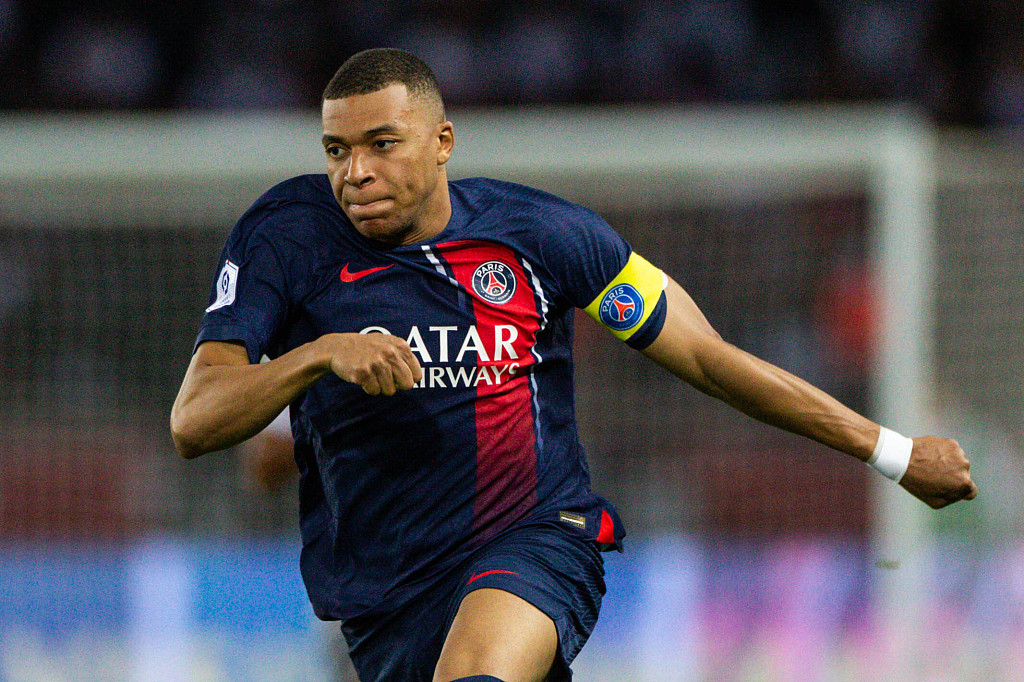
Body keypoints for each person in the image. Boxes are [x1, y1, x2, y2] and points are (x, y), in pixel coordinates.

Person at [170, 48, 977, 682]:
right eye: (337, 149)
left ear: (443, 141)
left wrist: (895, 452)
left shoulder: (546, 238)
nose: (356, 172)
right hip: (385, 597)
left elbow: (708, 358)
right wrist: (316, 356)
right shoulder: (286, 236)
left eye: (383, 144)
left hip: (534, 541)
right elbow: (194, 421)